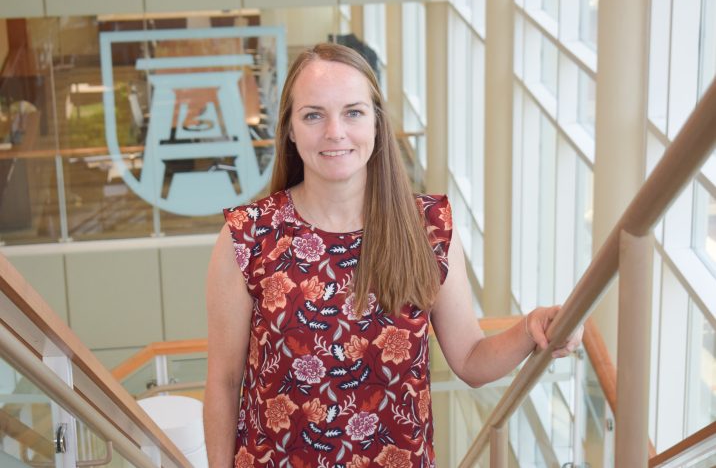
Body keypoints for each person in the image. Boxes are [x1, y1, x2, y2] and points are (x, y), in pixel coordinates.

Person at [204, 42, 583, 468]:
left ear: (377, 123)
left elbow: (471, 360)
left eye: (353, 112)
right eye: (313, 115)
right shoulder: (249, 236)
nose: (335, 132)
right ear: (290, 129)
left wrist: (532, 328)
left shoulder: (427, 229)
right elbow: (223, 382)